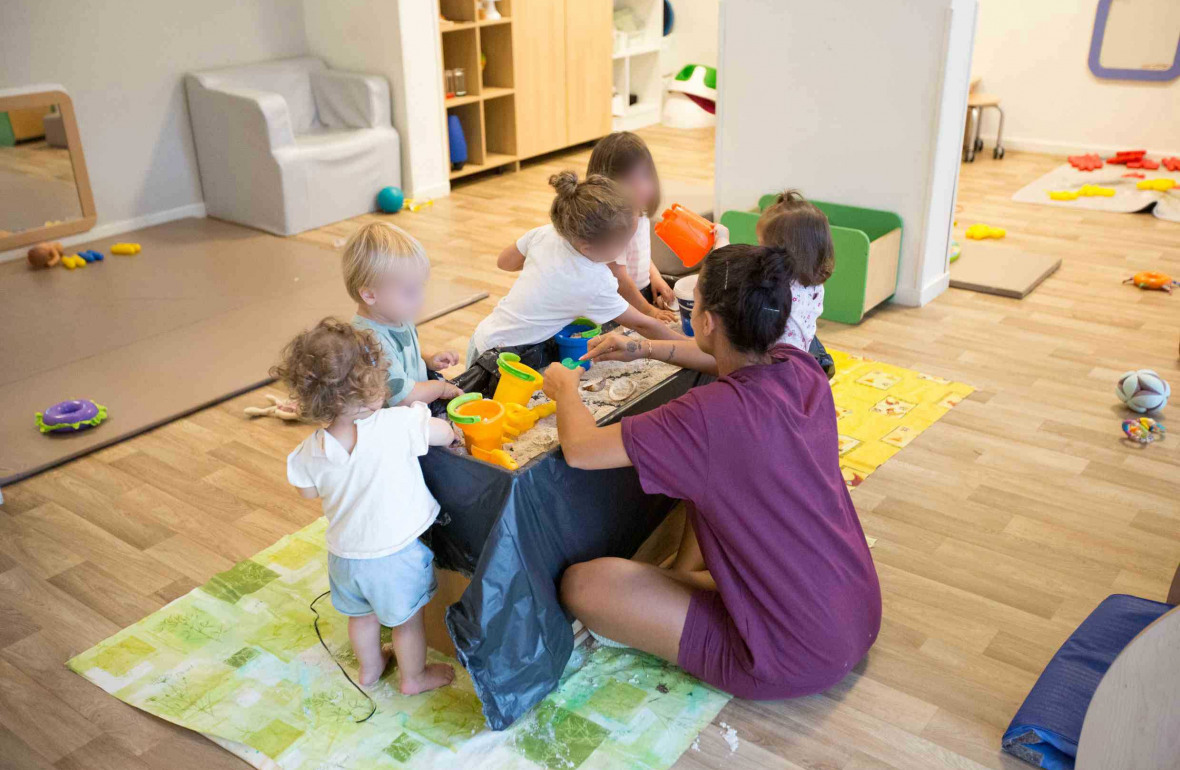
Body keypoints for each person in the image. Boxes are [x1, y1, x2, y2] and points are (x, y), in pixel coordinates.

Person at [542, 244, 881, 700]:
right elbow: (717, 359)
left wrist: (564, 388)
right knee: (706, 493)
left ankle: (688, 591)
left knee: (583, 585)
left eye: (697, 300)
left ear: (706, 322)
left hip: (789, 658)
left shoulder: (708, 416)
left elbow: (581, 449)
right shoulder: (801, 367)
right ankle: (695, 587)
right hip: (856, 612)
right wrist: (640, 347)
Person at [276, 318, 456, 694]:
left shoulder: (309, 450)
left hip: (345, 557)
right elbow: (442, 434)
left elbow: (308, 493)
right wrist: (453, 432)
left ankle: (370, 670)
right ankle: (414, 677)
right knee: (406, 621)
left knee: (362, 616)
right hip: (395, 556)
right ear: (373, 386)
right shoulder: (398, 424)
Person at [469, 171, 683, 365]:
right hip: (507, 359)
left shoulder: (546, 233)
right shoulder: (594, 281)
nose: (627, 248)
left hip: (482, 338)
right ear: (588, 247)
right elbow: (644, 325)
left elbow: (504, 262)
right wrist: (689, 345)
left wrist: (546, 271)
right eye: (623, 242)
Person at [343, 222, 463, 406]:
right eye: (410, 292)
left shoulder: (396, 316)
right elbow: (403, 398)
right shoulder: (369, 342)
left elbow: (401, 354)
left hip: (414, 405)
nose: (421, 298)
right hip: (392, 421)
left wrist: (428, 360)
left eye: (420, 287)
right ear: (369, 295)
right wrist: (441, 388)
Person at [712, 189, 833, 352]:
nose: (758, 250)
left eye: (762, 245)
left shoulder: (773, 284)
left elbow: (724, 267)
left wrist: (721, 239)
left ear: (784, 251)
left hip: (772, 365)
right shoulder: (813, 283)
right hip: (803, 357)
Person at [586, 131, 677, 322]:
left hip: (637, 292)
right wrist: (649, 311)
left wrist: (655, 277)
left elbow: (640, 253)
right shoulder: (613, 225)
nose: (642, 187)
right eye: (629, 182)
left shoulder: (638, 210)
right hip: (618, 301)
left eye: (645, 176)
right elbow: (619, 278)